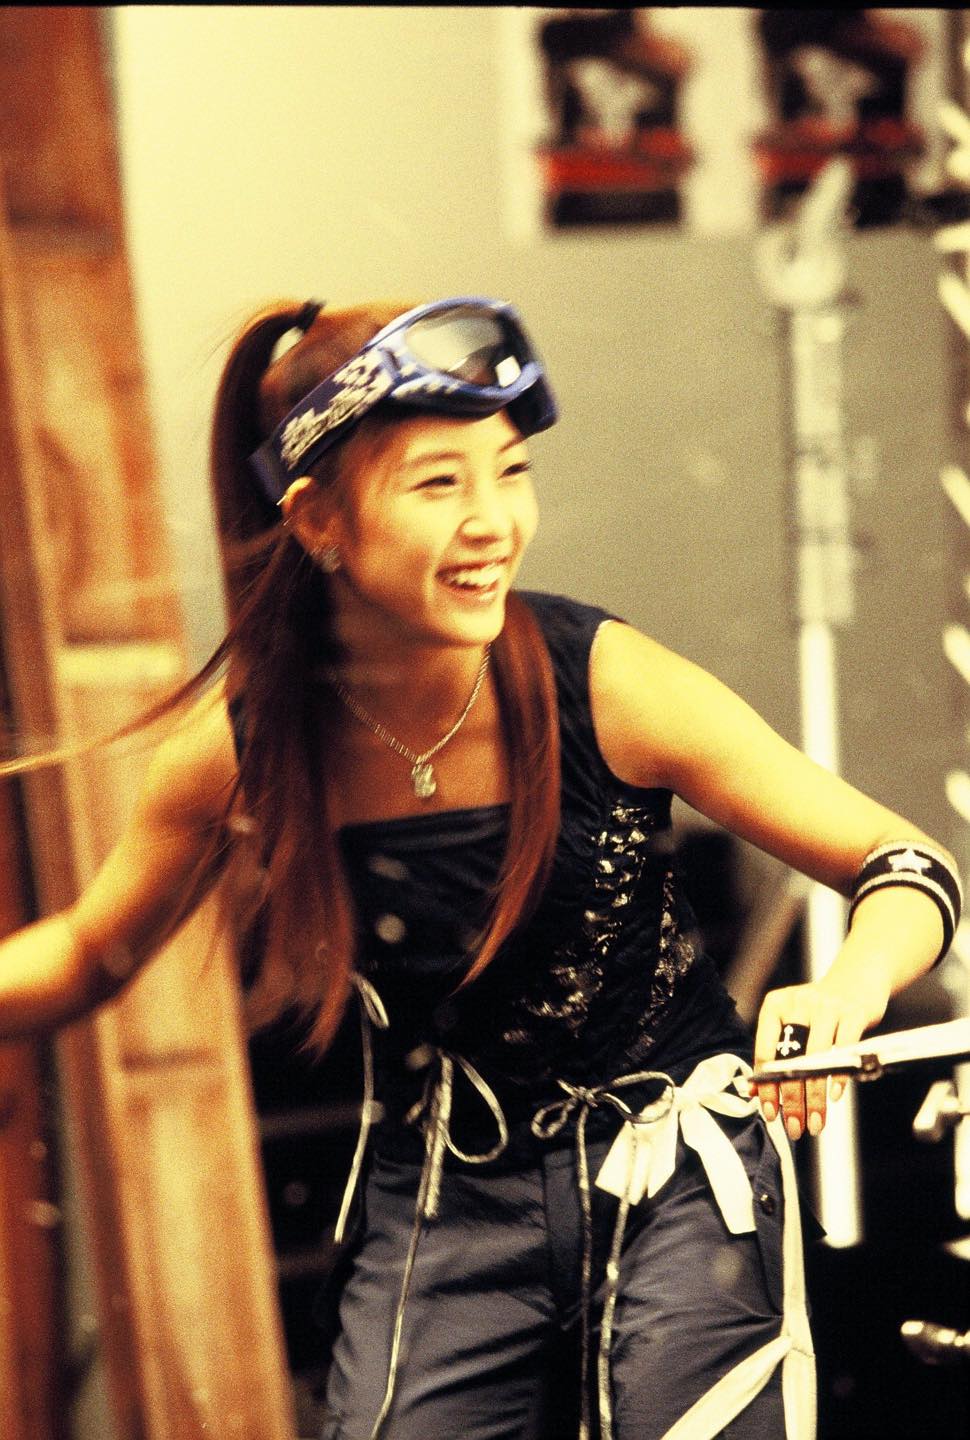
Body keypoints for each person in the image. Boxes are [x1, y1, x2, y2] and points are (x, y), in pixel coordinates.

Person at [0, 296, 960, 1440]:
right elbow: (92, 951)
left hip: (677, 1178)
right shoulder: (250, 745)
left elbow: (908, 863)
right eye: (437, 484)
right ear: (316, 520)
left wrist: (846, 985)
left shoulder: (604, 682)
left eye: (510, 472)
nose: (492, 522)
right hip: (443, 1196)